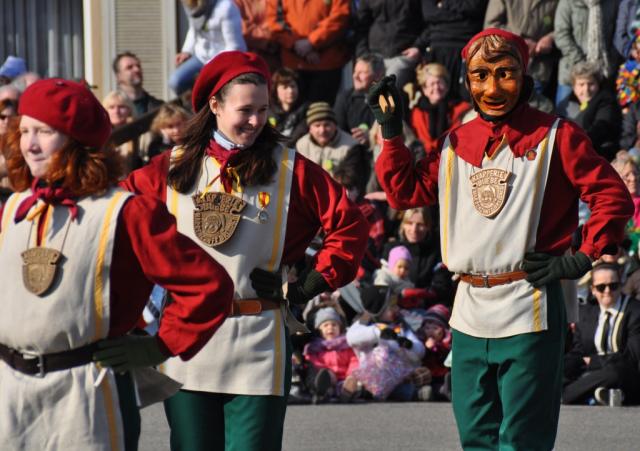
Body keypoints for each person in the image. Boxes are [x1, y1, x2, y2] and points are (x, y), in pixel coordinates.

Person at [369, 28, 633, 449]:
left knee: (522, 439)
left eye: (505, 73)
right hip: (469, 307)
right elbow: (405, 192)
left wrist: (583, 255)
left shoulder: (557, 135)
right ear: (467, 80)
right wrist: (391, 132)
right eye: (480, 75)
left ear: (524, 76)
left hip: (528, 301)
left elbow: (612, 197)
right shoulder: (456, 140)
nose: (492, 88)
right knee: (475, 436)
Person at [122, 50, 368, 450]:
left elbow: (350, 224)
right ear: (215, 106)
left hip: (258, 340)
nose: (256, 121)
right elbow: (113, 217)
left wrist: (307, 284)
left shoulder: (290, 168)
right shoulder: (170, 167)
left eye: (263, 110)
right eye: (245, 110)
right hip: (187, 343)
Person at [0, 78, 234, 450]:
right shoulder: (15, 207)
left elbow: (208, 286)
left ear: (77, 142)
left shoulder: (126, 211)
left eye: (44, 132)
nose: (30, 144)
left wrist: (160, 346)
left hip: (88, 393)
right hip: (12, 393)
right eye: (25, 130)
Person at [563, 262, 640, 405]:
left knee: (615, 373)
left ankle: (565, 396)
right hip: (591, 373)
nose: (607, 291)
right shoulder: (586, 313)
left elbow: (632, 356)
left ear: (621, 286)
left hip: (624, 373)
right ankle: (599, 394)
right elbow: (579, 351)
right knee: (559, 369)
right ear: (592, 290)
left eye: (613, 286)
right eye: (601, 287)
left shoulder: (635, 311)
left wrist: (593, 362)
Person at [265, 0, 351, 104]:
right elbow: (274, 21)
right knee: (294, 111)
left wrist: (312, 42)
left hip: (327, 65)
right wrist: (296, 45)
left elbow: (340, 16)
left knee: (322, 110)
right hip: (293, 66)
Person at [170, 0, 246, 96]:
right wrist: (186, 51)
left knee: (210, 88)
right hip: (200, 57)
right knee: (175, 82)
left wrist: (211, 68)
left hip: (222, 60)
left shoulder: (226, 7)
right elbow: (193, 29)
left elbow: (235, 47)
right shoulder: (193, 8)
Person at [554, 0, 619, 105]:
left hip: (604, 73)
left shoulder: (612, 3)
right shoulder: (568, 2)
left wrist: (609, 61)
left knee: (603, 113)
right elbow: (561, 35)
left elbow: (617, 36)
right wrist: (582, 65)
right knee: (564, 112)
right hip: (571, 71)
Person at [557, 61, 621, 161]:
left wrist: (576, 143)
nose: (586, 89)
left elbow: (601, 128)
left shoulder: (606, 101)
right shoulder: (565, 106)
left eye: (591, 84)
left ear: (598, 84)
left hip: (598, 154)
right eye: (581, 84)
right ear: (574, 87)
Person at [354, 0, 423, 90]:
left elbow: (429, 21)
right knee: (361, 84)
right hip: (373, 55)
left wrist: (418, 46)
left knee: (387, 88)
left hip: (403, 55)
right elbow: (361, 27)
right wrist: (362, 54)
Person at [405, 63, 471, 155]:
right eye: (432, 84)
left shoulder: (460, 108)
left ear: (447, 86)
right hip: (425, 158)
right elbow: (423, 142)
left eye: (439, 82)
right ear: (424, 89)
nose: (436, 87)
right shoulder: (417, 112)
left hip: (451, 155)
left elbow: (454, 135)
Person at [302, 306, 359, 402]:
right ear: (319, 329)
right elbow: (312, 361)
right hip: (328, 378)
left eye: (334, 325)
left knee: (351, 383)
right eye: (326, 325)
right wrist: (326, 371)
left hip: (344, 378)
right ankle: (325, 392)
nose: (330, 328)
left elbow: (354, 361)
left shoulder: (346, 345)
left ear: (340, 328)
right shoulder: (315, 347)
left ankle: (347, 393)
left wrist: (350, 374)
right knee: (324, 381)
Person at [334, 53, 386, 147]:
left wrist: (371, 137)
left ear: (378, 75)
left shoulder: (390, 99)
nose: (355, 76)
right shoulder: (345, 98)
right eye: (355, 71)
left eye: (362, 72)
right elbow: (338, 131)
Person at [295, 101, 357, 175]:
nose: (322, 130)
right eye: (317, 125)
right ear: (310, 128)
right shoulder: (301, 145)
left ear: (335, 125)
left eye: (327, 125)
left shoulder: (351, 146)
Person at [113, 51, 163, 117]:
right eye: (129, 67)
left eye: (138, 66)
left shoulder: (160, 107)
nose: (137, 70)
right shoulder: (111, 111)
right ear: (118, 76)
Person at [268, 67, 308, 147]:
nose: (290, 91)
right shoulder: (267, 111)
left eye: (293, 86)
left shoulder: (306, 110)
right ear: (275, 90)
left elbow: (298, 134)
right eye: (285, 87)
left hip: (294, 149)